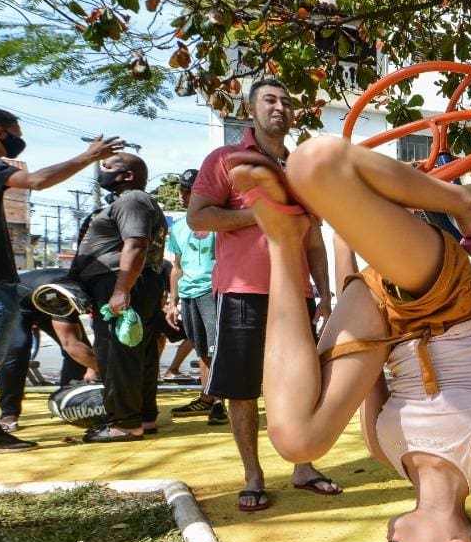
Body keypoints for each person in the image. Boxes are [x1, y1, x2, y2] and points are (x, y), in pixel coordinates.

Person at [227, 135, 471, 542]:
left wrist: (341, 238)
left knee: (297, 442)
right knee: (315, 162)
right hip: (444, 297)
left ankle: (283, 238)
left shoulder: (384, 449)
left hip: (383, 313)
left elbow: (370, 358)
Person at [0, 107, 123, 455]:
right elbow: (37, 181)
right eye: (17, 131)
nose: (21, 140)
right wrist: (87, 157)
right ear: (0, 132)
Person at [188, 79, 337, 509]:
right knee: (242, 386)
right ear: (251, 110)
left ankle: (303, 465)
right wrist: (261, 214)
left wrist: (324, 291)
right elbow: (199, 218)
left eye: (287, 101)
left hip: (298, 294)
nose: (280, 106)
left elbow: (312, 239)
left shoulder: (301, 169)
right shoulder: (226, 159)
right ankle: (253, 474)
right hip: (242, 290)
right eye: (270, 100)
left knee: (300, 383)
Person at [69, 152, 167, 442]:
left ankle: (124, 424)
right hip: (133, 284)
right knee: (139, 354)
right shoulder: (129, 201)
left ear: (127, 176)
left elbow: (135, 244)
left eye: (109, 166)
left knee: (117, 354)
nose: (102, 170)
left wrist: (121, 289)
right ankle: (144, 416)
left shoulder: (132, 199)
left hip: (122, 284)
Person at [0, 267, 99, 431]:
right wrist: (110, 372)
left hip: (50, 299)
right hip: (17, 299)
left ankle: (68, 397)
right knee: (17, 349)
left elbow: (100, 340)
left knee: (82, 350)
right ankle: (9, 413)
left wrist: (95, 368)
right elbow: (71, 344)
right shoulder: (61, 295)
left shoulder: (99, 293)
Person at [165, 168, 227, 425]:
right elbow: (177, 267)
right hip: (188, 293)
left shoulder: (219, 220)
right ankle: (207, 396)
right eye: (181, 190)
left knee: (219, 347)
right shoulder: (178, 226)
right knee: (201, 347)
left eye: (188, 190)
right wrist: (172, 301)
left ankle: (222, 402)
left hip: (213, 291)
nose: (182, 195)